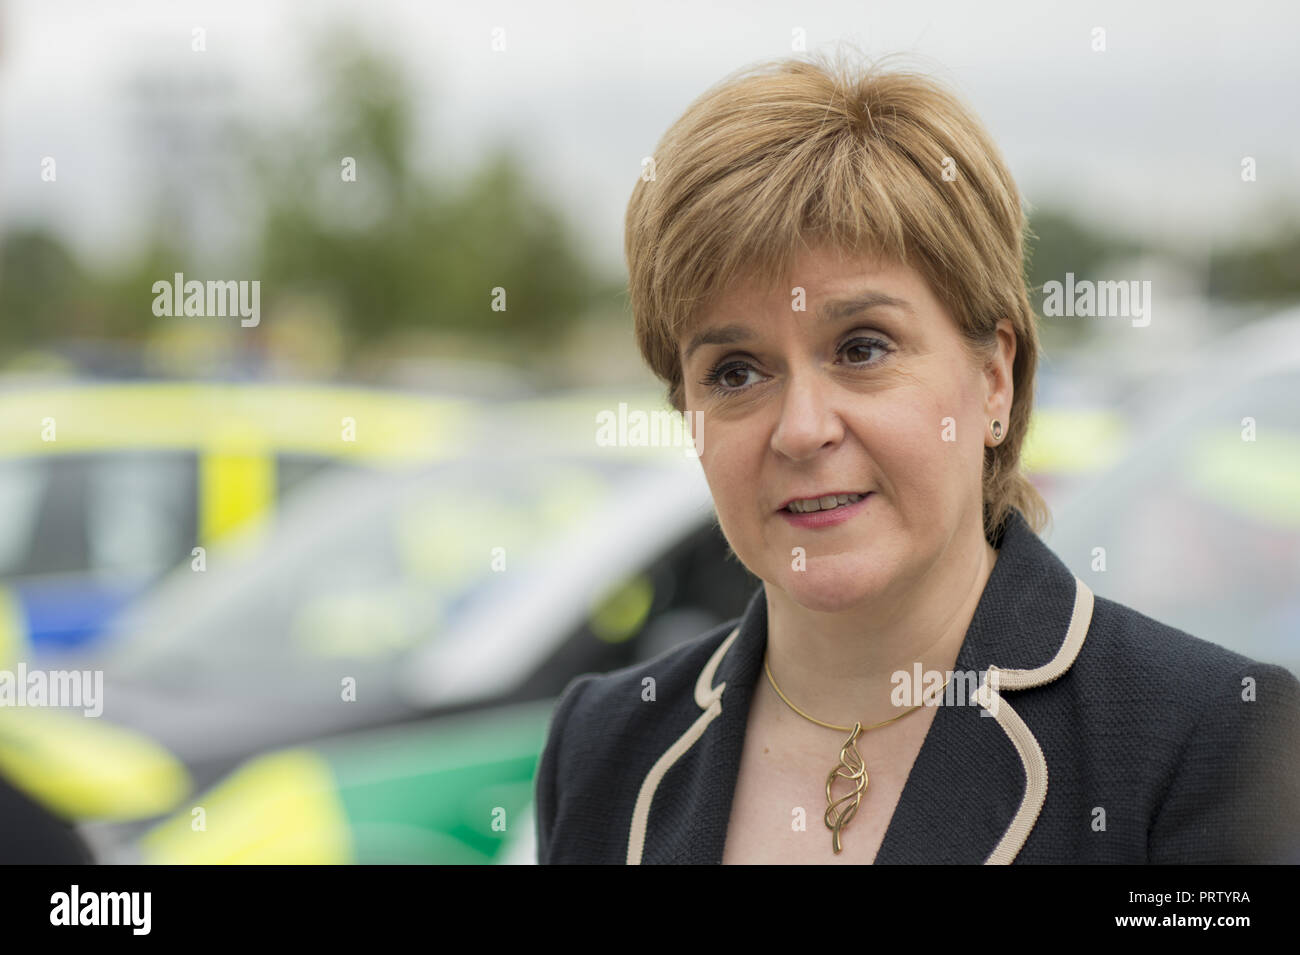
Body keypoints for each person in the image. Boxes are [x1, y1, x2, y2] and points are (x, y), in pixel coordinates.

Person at [534, 52, 1300, 864]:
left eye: (862, 348)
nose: (801, 429)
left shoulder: (1209, 743)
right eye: (735, 371)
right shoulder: (603, 743)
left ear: (995, 378)